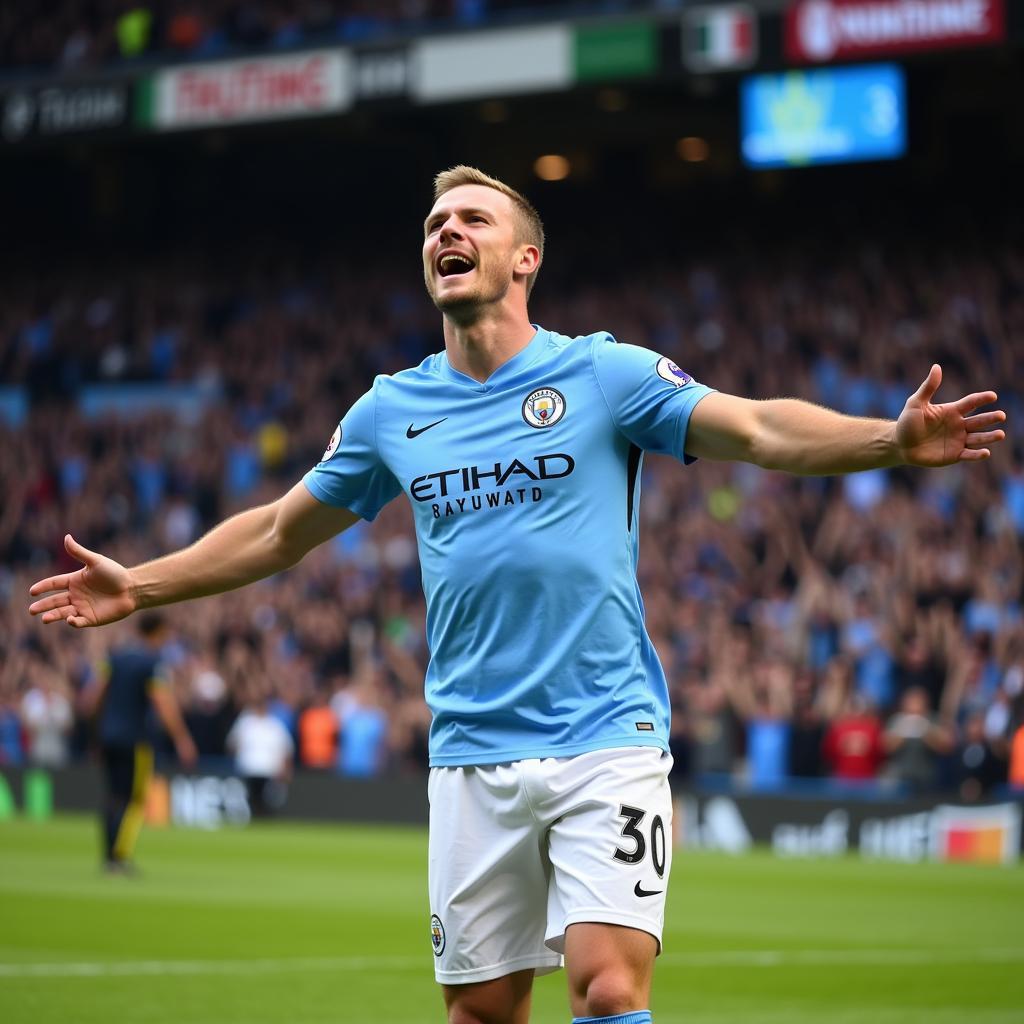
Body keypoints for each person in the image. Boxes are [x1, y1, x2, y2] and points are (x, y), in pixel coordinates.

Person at [28, 165, 1006, 1022]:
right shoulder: (388, 410)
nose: (445, 232)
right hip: (470, 753)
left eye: (470, 220)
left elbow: (752, 428)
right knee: (483, 1010)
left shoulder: (603, 373)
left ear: (526, 257)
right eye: (431, 226)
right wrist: (143, 584)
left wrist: (885, 439)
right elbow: (283, 529)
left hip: (605, 736)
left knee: (608, 987)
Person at [84, 612, 197, 873]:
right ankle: (118, 858)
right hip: (135, 740)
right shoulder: (152, 662)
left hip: (108, 737)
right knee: (133, 799)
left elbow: (93, 699)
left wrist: (95, 735)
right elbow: (163, 702)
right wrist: (182, 738)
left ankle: (108, 854)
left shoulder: (115, 657)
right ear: (158, 631)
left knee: (113, 796)